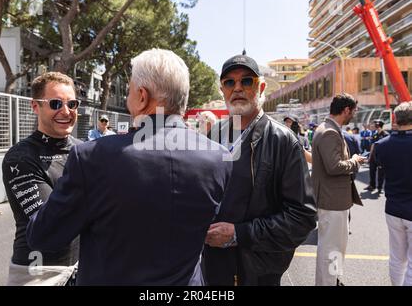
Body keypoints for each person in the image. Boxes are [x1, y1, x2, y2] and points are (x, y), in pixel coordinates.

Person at [26, 49, 232, 285]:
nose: (127, 98)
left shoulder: (92, 157)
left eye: (129, 90)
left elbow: (44, 236)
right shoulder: (219, 158)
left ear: (142, 96)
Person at [203, 53, 316, 286]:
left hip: (258, 272)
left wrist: (238, 234)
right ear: (222, 89)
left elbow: (302, 218)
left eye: (246, 81)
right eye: (229, 82)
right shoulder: (214, 134)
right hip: (214, 266)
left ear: (261, 87)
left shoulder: (283, 141)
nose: (238, 88)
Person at [2, 72, 82, 285]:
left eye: (72, 104)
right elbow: (51, 226)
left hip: (83, 267)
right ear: (35, 106)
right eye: (55, 103)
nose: (66, 111)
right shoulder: (20, 157)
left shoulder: (84, 149)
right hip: (39, 274)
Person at [312, 93, 366, 286]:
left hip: (331, 199)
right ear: (346, 110)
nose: (354, 114)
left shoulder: (327, 128)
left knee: (330, 248)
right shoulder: (329, 132)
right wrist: (354, 161)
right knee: (333, 249)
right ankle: (329, 282)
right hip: (332, 200)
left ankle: (331, 280)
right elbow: (334, 167)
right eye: (353, 111)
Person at [375, 102, 412, 286]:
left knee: (397, 257)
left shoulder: (382, 145)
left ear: (395, 119)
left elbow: (380, 164)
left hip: (393, 208)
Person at [366, 120, 389, 193]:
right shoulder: (375, 134)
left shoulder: (386, 134)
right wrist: (370, 157)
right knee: (372, 171)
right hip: (374, 156)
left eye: (376, 124)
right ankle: (372, 185)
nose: (374, 126)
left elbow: (387, 147)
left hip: (381, 157)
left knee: (381, 173)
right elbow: (373, 145)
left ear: (379, 125)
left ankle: (379, 187)